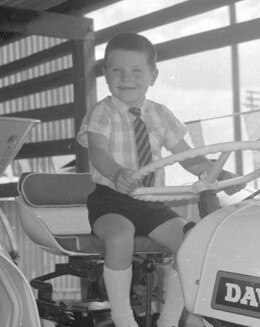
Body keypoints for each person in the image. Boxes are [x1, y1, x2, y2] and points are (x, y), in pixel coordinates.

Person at [76, 32, 244, 327]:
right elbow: (98, 153)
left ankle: (168, 320)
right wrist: (117, 173)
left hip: (151, 201)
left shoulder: (161, 115)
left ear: (152, 75)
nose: (127, 78)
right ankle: (124, 318)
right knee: (119, 237)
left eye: (137, 70)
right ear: (105, 76)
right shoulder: (102, 112)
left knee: (192, 242)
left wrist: (219, 175)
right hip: (112, 201)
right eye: (117, 70)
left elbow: (189, 157)